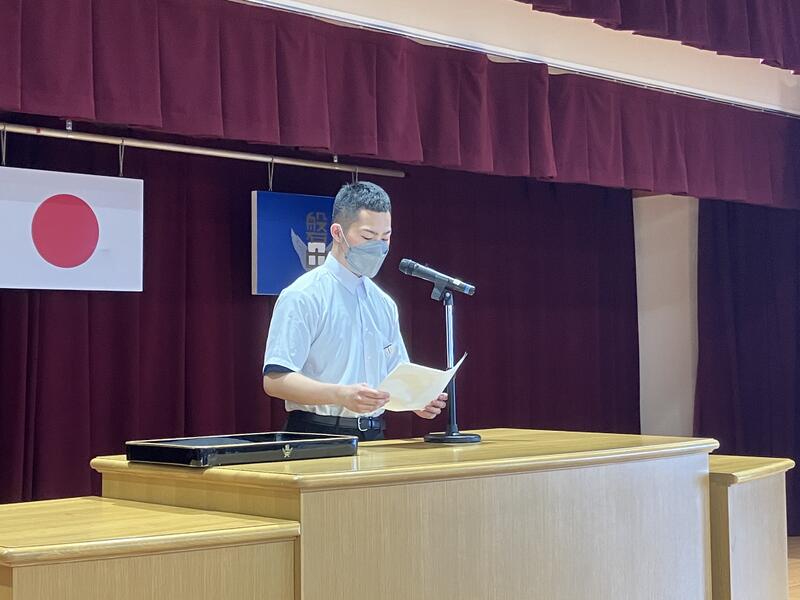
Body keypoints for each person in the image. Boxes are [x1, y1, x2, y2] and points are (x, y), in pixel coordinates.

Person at [262, 181, 446, 441]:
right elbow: (275, 379)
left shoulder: (383, 303)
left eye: (385, 237)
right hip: (316, 432)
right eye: (368, 237)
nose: (378, 247)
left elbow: (396, 374)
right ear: (338, 233)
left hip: (374, 433)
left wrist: (417, 399)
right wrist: (340, 394)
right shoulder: (304, 294)